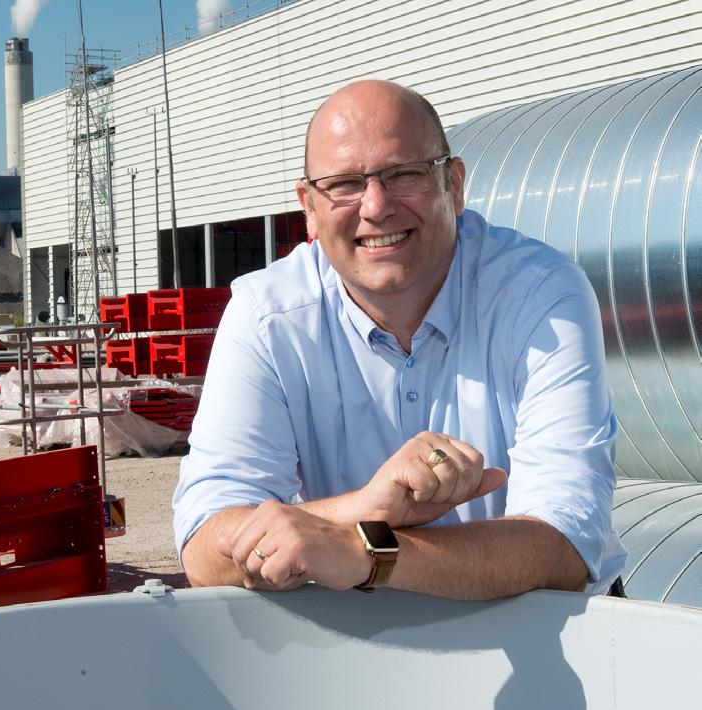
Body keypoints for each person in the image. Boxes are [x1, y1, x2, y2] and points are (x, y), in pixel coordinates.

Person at [172, 80, 626, 599]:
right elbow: (205, 544)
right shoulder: (267, 315)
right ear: (309, 208)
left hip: (545, 634)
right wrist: (363, 508)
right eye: (344, 183)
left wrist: (362, 550)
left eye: (404, 173)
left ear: (453, 186)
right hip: (364, 639)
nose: (375, 206)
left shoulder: (539, 295)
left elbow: (565, 545)